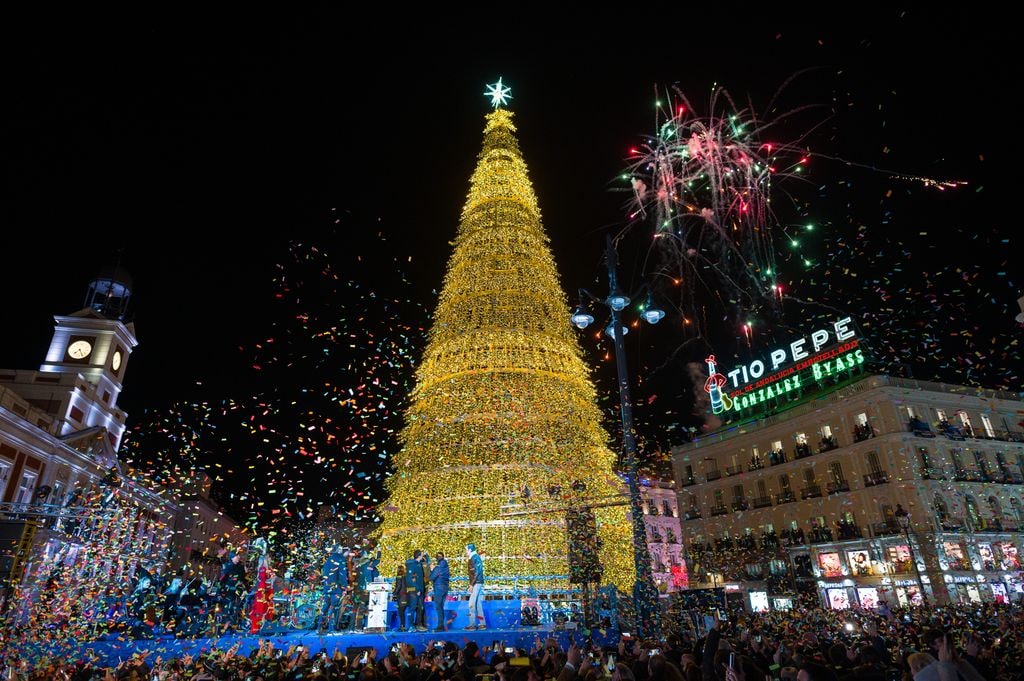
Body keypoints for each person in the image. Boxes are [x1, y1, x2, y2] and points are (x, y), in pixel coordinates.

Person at [320, 544, 351, 632]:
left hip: (327, 587)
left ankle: (320, 628)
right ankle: (331, 629)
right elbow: (342, 575)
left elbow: (325, 574)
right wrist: (345, 586)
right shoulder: (340, 560)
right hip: (336, 588)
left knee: (325, 608)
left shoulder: (328, 560)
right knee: (334, 608)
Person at [248, 537, 274, 634]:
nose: (270, 559)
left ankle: (265, 626)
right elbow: (263, 579)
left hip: (267, 592)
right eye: (268, 558)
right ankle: (256, 628)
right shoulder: (263, 567)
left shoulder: (267, 568)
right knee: (260, 609)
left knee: (267, 609)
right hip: (262, 592)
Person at [404, 550, 427, 631]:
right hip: (414, 590)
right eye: (422, 555)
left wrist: (426, 555)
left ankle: (419, 625)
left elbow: (427, 561)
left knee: (420, 608)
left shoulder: (418, 564)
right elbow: (409, 579)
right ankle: (411, 626)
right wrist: (417, 589)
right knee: (412, 607)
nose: (423, 556)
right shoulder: (412, 565)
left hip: (420, 590)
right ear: (419, 556)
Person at [465, 543, 485, 630]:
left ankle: (472, 624)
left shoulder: (474, 557)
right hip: (478, 582)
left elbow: (476, 572)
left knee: (471, 604)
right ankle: (482, 624)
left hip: (476, 582)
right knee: (478, 604)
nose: (465, 551)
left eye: (466, 549)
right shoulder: (475, 557)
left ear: (470, 550)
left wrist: (471, 584)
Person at [429, 551, 451, 631]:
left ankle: (440, 625)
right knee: (441, 607)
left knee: (438, 607)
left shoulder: (438, 567)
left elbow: (431, 577)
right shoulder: (446, 567)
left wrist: (432, 569)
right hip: (445, 588)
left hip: (438, 588)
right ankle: (441, 625)